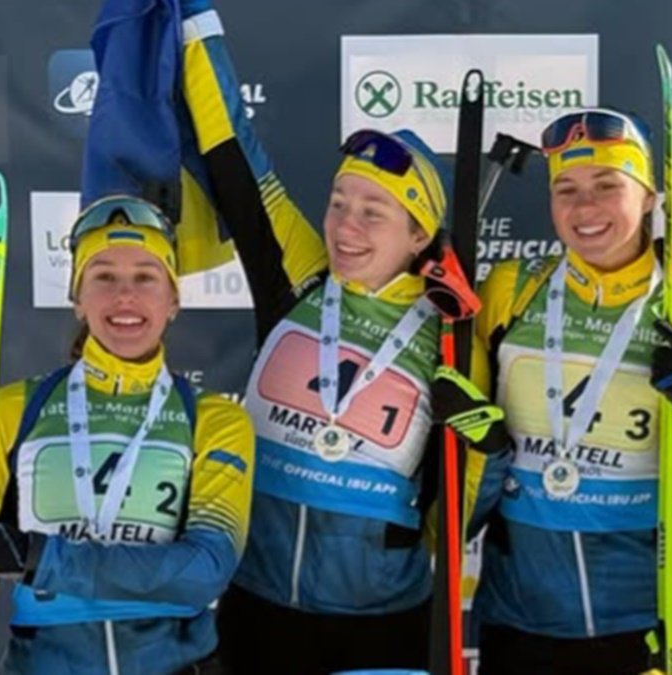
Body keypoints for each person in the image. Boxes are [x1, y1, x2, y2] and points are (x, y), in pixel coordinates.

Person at [169, 5, 512, 673]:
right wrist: (192, 24)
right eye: (338, 203)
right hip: (257, 605)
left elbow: (458, 517)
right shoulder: (300, 275)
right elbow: (234, 150)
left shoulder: (452, 333)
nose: (346, 226)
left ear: (419, 233)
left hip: (381, 621)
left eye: (373, 212)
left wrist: (488, 449)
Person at [0, 196, 255, 675]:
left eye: (146, 277)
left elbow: (204, 570)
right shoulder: (12, 410)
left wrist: (37, 557)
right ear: (78, 298)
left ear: (173, 301)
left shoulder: (215, 421)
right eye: (104, 276)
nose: (125, 295)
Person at [470, 108, 672, 674]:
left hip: (644, 621)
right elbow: (466, 472)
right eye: (565, 189)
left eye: (607, 186)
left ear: (648, 198)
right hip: (519, 619)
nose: (584, 208)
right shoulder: (510, 292)